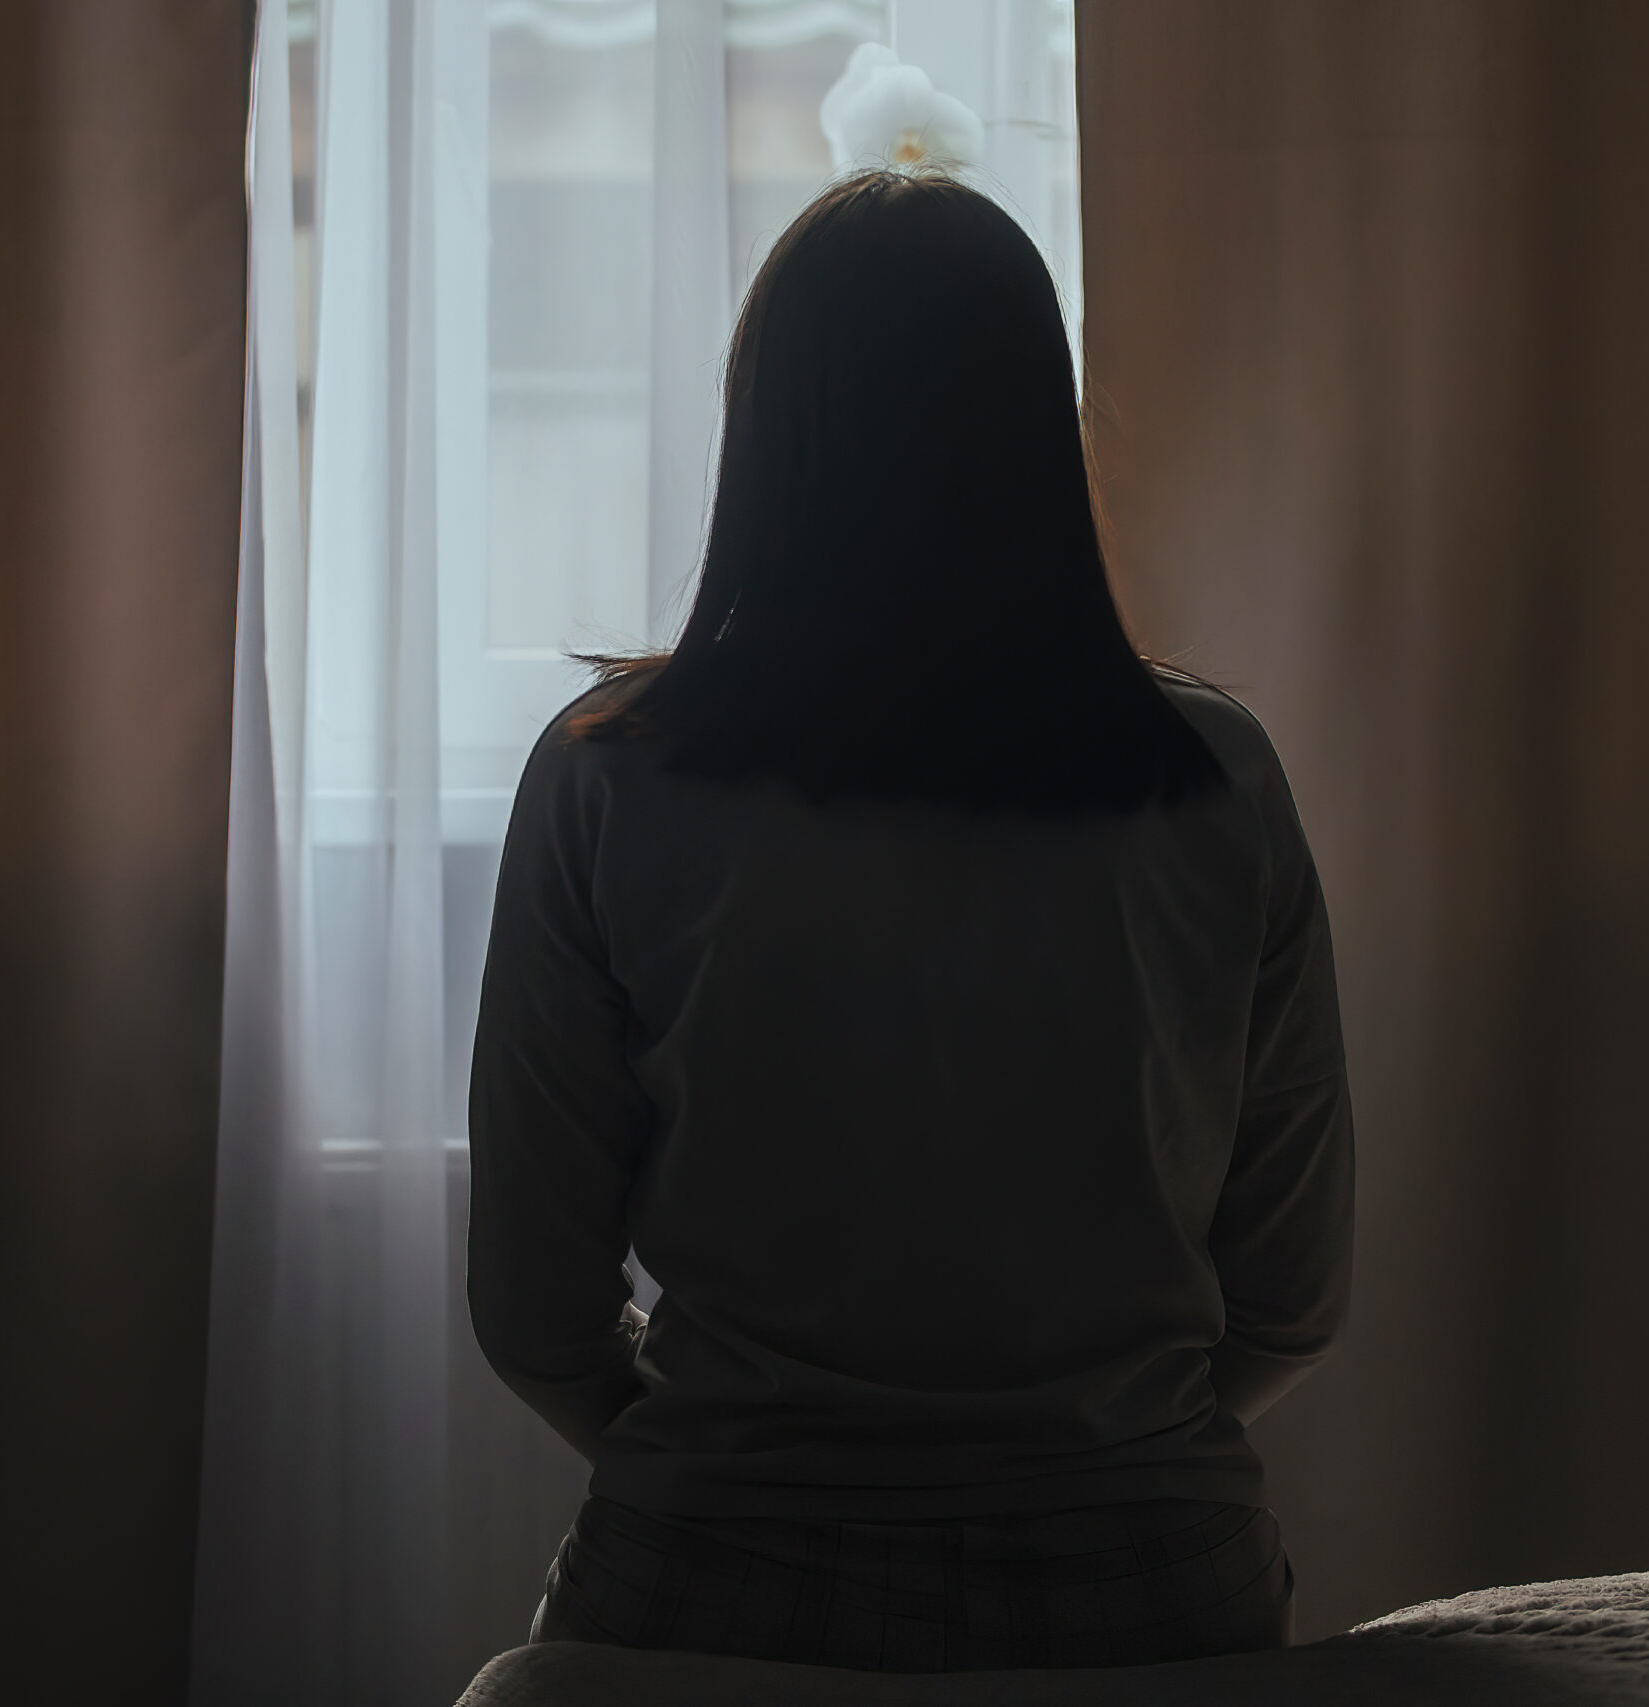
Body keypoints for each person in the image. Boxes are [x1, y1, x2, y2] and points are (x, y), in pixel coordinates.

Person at [466, 167, 1354, 1674]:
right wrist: (1089, 1457)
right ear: (1039, 431)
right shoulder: (1217, 783)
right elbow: (1292, 1298)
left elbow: (534, 1310)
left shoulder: (609, 781)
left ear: (765, 433)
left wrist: (741, 1462)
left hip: (716, 1570)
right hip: (1148, 1576)